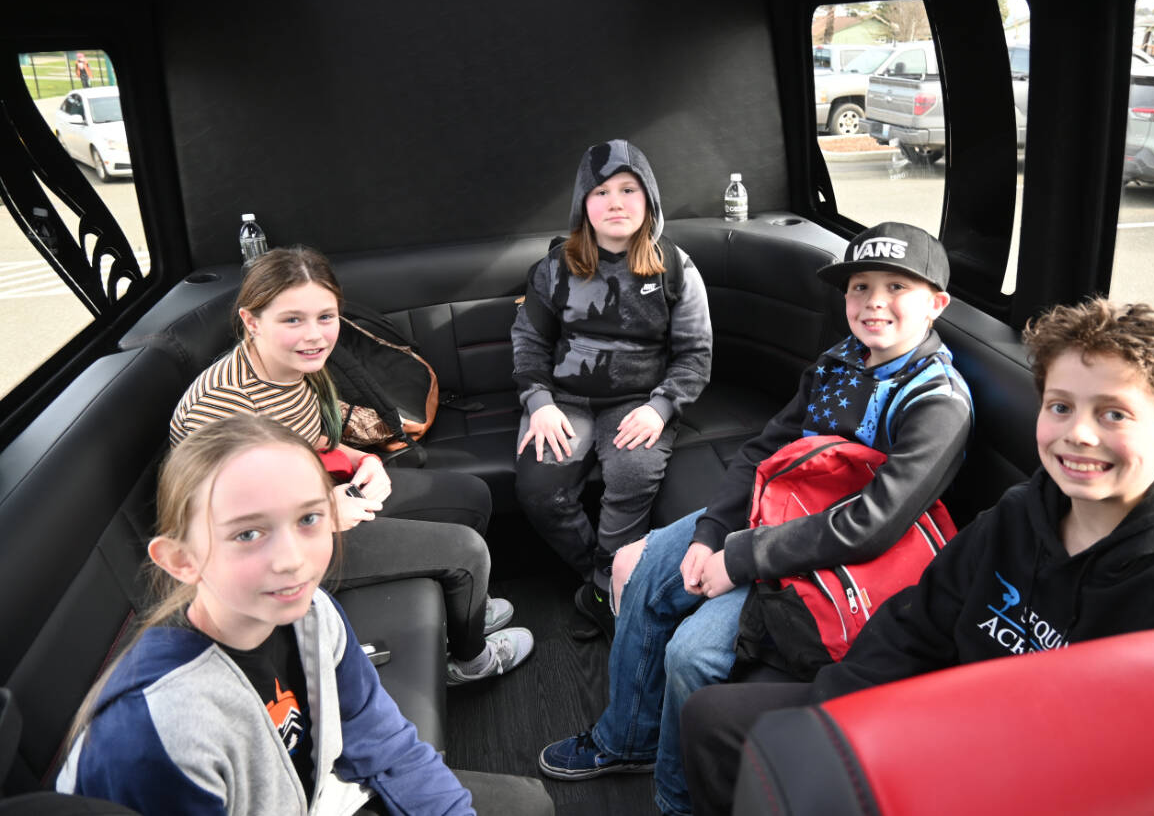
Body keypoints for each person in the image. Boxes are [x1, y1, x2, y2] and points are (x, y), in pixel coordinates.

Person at [679, 298, 1154, 816]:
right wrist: (832, 720)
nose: (1079, 434)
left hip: (1040, 788)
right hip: (944, 721)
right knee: (718, 725)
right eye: (1061, 406)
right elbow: (916, 625)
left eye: (1114, 414)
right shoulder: (1020, 515)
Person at [538, 221, 973, 816]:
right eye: (860, 286)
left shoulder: (937, 403)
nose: (874, 302)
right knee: (643, 572)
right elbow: (762, 452)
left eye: (897, 287)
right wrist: (711, 533)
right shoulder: (839, 362)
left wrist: (736, 559)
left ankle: (677, 799)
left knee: (691, 654)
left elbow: (870, 524)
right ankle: (626, 740)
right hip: (773, 514)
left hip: (834, 564)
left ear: (936, 305)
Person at [57, 415, 554, 815]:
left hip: (323, 793)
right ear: (182, 560)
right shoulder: (155, 734)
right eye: (248, 534)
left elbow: (376, 732)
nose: (292, 558)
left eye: (308, 519)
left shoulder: (312, 609)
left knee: (530, 804)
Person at [170, 246, 532, 685]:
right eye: (292, 320)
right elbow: (219, 525)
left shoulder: (298, 367)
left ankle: (465, 609)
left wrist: (365, 460)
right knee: (467, 553)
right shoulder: (221, 406)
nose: (315, 335)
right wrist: (319, 515)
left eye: (326, 317)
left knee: (471, 496)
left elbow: (320, 436)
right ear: (251, 322)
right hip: (278, 553)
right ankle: (471, 661)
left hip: (314, 500)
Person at [511, 139, 712, 638]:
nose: (616, 202)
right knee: (540, 489)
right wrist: (538, 404)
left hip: (640, 403)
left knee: (632, 474)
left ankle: (605, 590)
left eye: (629, 189)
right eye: (601, 192)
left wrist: (662, 409)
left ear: (649, 200)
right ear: (584, 204)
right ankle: (598, 578)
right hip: (565, 401)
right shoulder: (555, 268)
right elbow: (529, 343)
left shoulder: (676, 268)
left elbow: (695, 355)